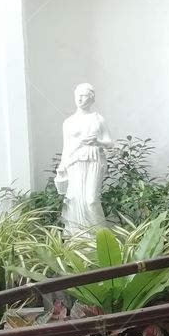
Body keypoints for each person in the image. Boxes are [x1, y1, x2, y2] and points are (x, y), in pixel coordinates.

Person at [55, 83, 113, 235]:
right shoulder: (68, 122)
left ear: (91, 98)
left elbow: (110, 143)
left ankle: (103, 238)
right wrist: (61, 167)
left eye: (84, 95)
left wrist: (97, 142)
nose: (80, 98)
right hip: (74, 162)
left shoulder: (98, 119)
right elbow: (66, 147)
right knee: (73, 198)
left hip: (94, 160)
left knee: (91, 200)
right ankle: (78, 238)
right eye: (77, 95)